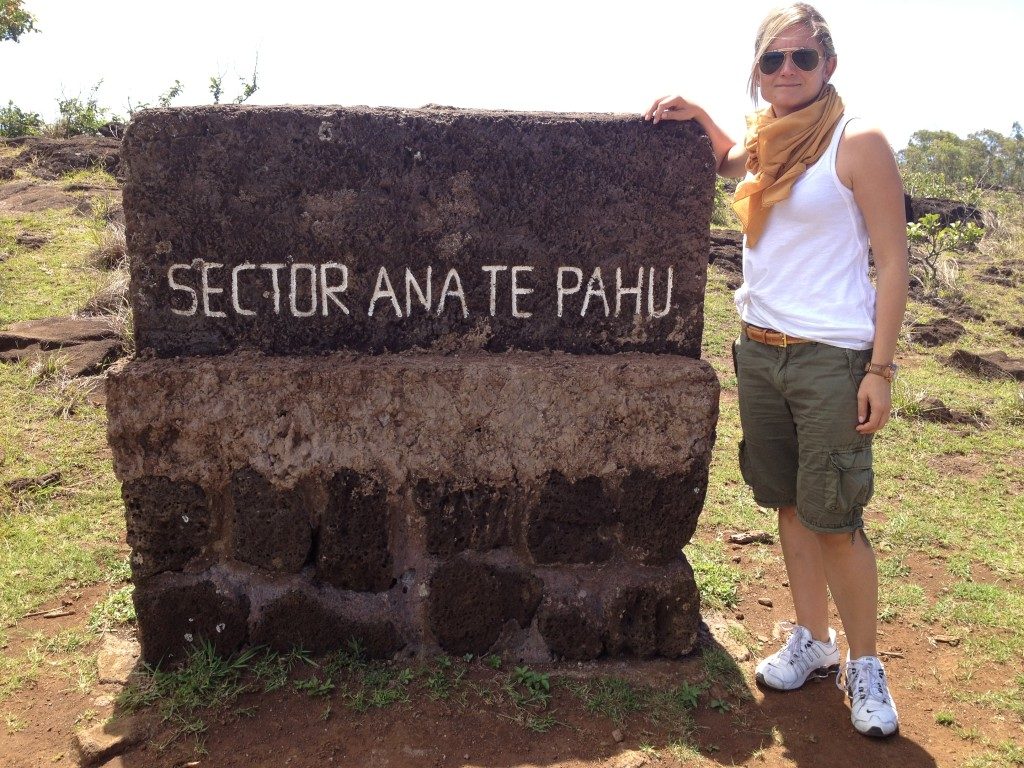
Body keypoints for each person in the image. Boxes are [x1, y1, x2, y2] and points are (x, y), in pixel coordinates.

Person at [643, 2, 908, 739]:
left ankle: (865, 663)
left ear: (829, 65)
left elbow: (893, 263)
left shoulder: (858, 143)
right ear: (757, 73)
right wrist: (699, 114)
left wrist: (879, 369)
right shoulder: (767, 141)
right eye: (772, 60)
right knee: (789, 505)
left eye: (802, 58)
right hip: (760, 349)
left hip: (830, 357)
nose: (787, 71)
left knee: (835, 518)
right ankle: (813, 640)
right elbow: (732, 161)